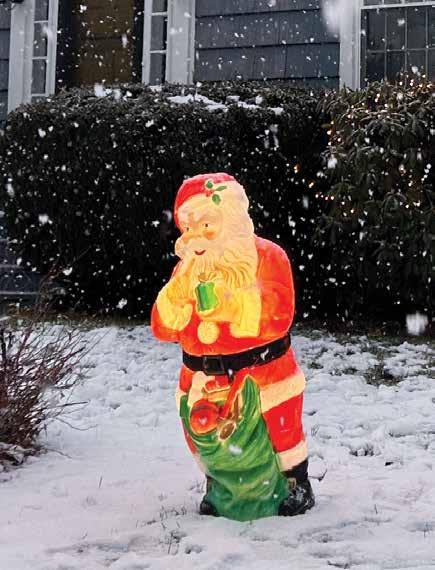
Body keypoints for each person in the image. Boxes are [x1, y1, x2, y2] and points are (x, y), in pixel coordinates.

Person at [151, 173, 314, 521]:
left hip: (263, 372)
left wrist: (234, 306)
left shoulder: (267, 257)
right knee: (203, 436)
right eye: (189, 228)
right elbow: (163, 329)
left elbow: (279, 312)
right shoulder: (186, 271)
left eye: (207, 225)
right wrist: (173, 301)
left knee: (280, 430)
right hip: (201, 378)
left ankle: (294, 483)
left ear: (231, 221)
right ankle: (219, 485)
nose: (196, 236)